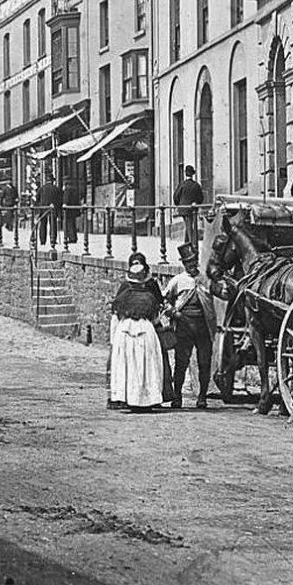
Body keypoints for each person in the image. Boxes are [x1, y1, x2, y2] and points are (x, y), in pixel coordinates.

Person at [163, 242, 217, 409]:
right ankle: (177, 396)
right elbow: (164, 301)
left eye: (194, 261)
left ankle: (202, 397)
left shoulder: (205, 280)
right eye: (189, 262)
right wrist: (173, 312)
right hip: (184, 326)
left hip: (203, 326)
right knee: (181, 363)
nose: (193, 265)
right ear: (184, 264)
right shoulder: (177, 281)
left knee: (204, 362)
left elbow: (218, 293)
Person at [109, 255, 165, 411]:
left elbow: (115, 317)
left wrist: (114, 339)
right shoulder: (150, 298)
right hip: (145, 330)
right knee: (145, 364)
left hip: (125, 330)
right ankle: (146, 399)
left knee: (127, 364)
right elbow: (155, 319)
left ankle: (128, 397)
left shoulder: (122, 297)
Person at [172, 165, 205, 246]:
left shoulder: (182, 184)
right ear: (192, 174)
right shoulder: (196, 185)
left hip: (183, 209)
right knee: (189, 225)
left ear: (185, 173)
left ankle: (190, 246)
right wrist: (196, 204)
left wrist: (179, 205)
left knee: (188, 226)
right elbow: (201, 198)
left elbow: (175, 196)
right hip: (193, 209)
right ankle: (190, 245)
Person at [38, 171, 62, 246]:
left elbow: (37, 198)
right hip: (53, 209)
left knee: (43, 224)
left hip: (43, 208)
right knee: (53, 224)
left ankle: (42, 240)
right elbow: (60, 199)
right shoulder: (56, 189)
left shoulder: (42, 188)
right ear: (52, 181)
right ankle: (53, 239)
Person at [62, 175, 80, 245]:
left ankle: (71, 238)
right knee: (73, 223)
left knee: (69, 223)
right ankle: (74, 237)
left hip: (68, 209)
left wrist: (64, 204)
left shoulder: (67, 189)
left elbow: (66, 199)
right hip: (74, 208)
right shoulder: (74, 188)